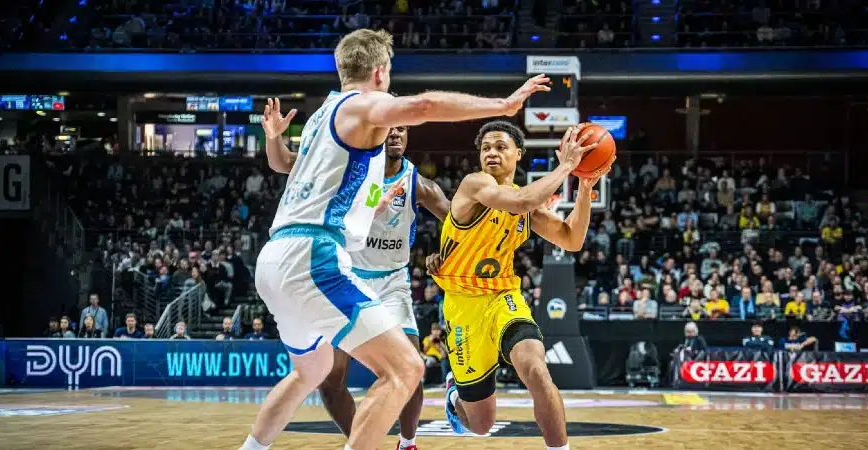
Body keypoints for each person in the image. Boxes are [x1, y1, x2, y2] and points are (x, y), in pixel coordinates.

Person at [240, 28, 551, 450]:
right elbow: (423, 105)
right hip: (314, 256)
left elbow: (285, 166)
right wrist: (504, 104)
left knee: (308, 372)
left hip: (276, 257)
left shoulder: (320, 118)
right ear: (381, 71)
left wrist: (369, 197)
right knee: (406, 368)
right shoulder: (364, 103)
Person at [262, 116, 451, 450]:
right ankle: (362, 443)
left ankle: (407, 444)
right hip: (345, 275)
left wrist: (446, 256)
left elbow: (457, 222)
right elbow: (287, 163)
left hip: (392, 282)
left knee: (411, 370)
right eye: (390, 126)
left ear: (407, 137)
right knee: (331, 381)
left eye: (402, 128)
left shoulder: (418, 184)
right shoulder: (352, 166)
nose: (395, 132)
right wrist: (275, 138)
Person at [425, 121, 613, 450]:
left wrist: (584, 185)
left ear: (518, 154)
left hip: (503, 297)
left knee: (536, 369)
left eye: (500, 147)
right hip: (463, 306)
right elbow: (523, 201)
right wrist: (567, 165)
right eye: (486, 148)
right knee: (481, 426)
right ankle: (455, 392)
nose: (492, 153)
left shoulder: (526, 203)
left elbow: (572, 239)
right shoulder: (476, 183)